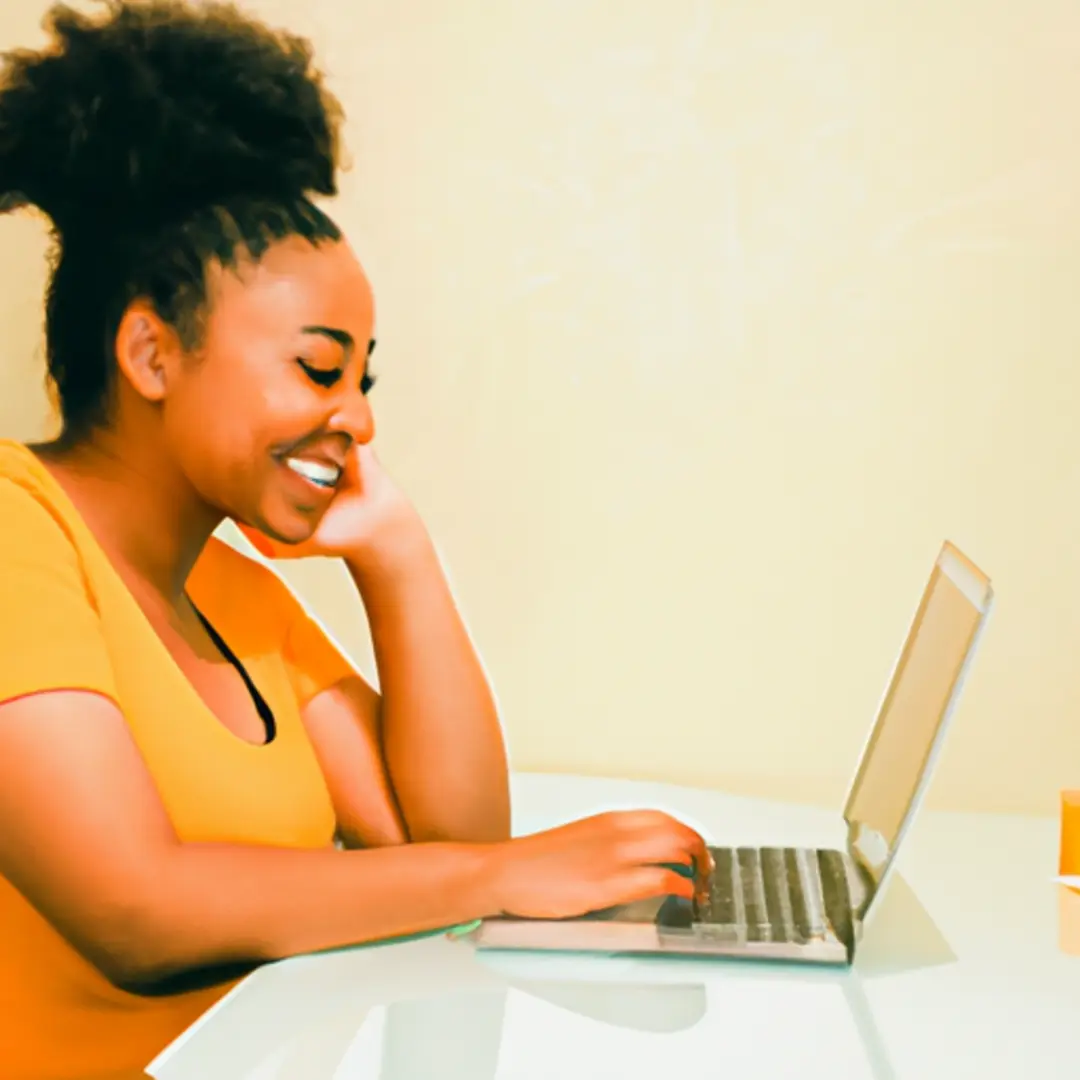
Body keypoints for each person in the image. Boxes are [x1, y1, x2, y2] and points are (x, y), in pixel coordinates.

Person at [0, 2, 709, 1076]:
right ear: (150, 351)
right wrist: (500, 878)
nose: (359, 418)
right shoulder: (15, 532)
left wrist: (399, 554)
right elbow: (134, 908)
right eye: (320, 368)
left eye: (363, 380)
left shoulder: (230, 599)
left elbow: (445, 839)